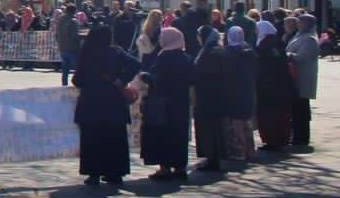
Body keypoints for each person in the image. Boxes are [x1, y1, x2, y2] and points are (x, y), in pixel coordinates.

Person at [73, 24, 141, 186]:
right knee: (115, 138)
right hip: (114, 102)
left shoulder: (87, 53)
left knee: (92, 139)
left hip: (91, 102)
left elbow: (78, 79)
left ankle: (94, 172)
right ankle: (115, 172)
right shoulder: (115, 52)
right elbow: (136, 64)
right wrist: (121, 80)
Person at [139, 27, 194, 181]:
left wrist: (145, 76)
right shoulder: (186, 58)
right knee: (179, 135)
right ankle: (180, 167)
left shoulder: (163, 57)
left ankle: (165, 168)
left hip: (163, 101)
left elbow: (157, 78)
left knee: (164, 134)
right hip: (181, 102)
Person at [253, 19, 293, 152]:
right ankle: (281, 139)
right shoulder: (278, 42)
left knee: (268, 114)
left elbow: (263, 66)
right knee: (280, 114)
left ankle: (271, 140)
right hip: (281, 85)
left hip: (267, 86)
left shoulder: (264, 45)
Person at [192, 26, 227, 170]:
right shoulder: (216, 50)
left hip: (208, 96)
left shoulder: (209, 52)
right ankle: (212, 157)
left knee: (209, 128)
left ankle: (212, 158)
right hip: (215, 95)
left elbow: (202, 73)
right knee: (214, 127)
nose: (198, 38)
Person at [221, 25, 257, 165]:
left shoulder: (228, 53)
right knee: (246, 120)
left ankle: (238, 151)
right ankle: (249, 150)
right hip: (247, 89)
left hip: (232, 90)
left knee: (234, 122)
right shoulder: (249, 51)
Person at [287, 14, 320, 147]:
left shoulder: (310, 39)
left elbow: (303, 57)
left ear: (307, 24)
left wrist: (289, 55)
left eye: (300, 22)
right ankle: (296, 135)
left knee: (301, 108)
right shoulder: (299, 35)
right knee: (296, 108)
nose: (298, 24)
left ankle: (302, 137)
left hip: (302, 77)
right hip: (295, 76)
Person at [55, 3, 81, 87]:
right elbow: (75, 36)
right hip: (72, 48)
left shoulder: (60, 20)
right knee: (78, 68)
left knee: (65, 69)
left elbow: (57, 34)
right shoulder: (73, 21)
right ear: (74, 11)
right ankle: (78, 84)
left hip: (62, 47)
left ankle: (64, 85)